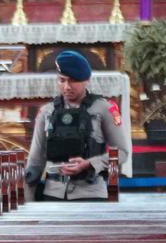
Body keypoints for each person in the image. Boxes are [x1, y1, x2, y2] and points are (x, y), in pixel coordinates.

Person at [24, 51, 131, 200]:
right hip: (53, 194)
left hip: (90, 193)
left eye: (73, 81)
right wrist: (28, 203)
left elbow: (122, 152)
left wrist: (90, 164)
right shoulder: (47, 111)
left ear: (86, 80)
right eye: (62, 80)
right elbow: (35, 161)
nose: (67, 87)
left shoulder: (104, 109)